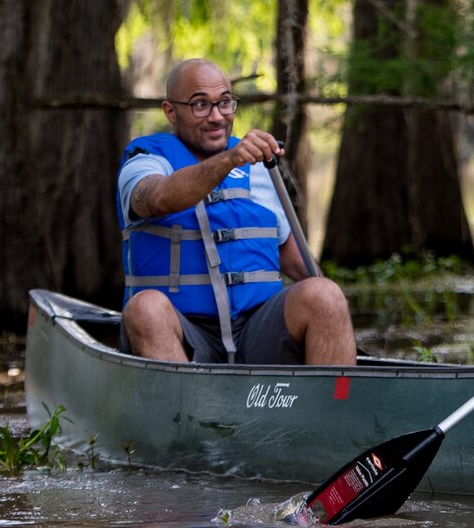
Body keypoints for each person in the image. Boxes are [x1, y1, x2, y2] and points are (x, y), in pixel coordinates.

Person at [117, 58, 356, 365]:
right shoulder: (143, 161)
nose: (217, 116)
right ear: (170, 111)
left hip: (255, 331)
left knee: (326, 295)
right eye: (200, 105)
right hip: (185, 332)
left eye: (225, 103)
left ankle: (333, 407)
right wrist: (228, 160)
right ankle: (189, 412)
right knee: (145, 308)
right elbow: (158, 198)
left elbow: (294, 261)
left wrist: (334, 309)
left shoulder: (256, 168)